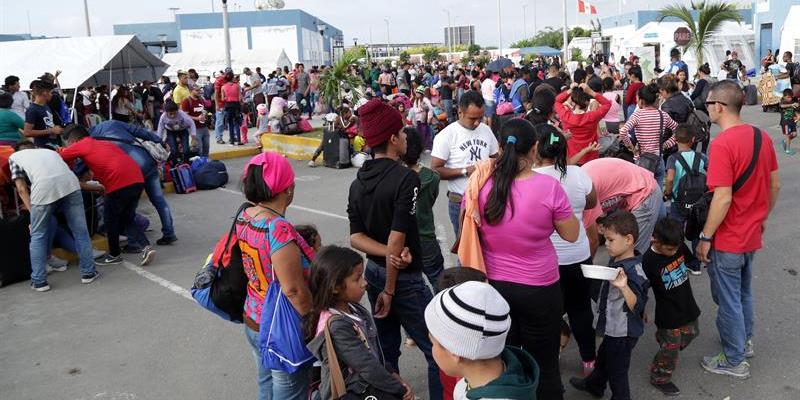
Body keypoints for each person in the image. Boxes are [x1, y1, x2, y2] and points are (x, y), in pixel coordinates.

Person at [472, 119, 579, 400]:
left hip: (496, 287)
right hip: (540, 288)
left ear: (500, 147)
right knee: (544, 363)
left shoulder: (482, 186)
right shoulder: (548, 187)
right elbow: (571, 234)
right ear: (534, 148)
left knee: (507, 359)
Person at [346, 98, 443, 400]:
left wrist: (386, 253)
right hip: (400, 280)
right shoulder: (406, 179)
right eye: (401, 132)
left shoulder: (358, 181)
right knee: (436, 349)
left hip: (374, 272)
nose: (404, 137)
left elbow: (356, 238)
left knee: (387, 348)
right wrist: (389, 287)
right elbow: (397, 241)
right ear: (391, 139)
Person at [695, 80, 780, 379]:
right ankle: (744, 342)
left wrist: (705, 236)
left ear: (718, 106)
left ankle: (734, 360)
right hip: (751, 233)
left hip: (729, 236)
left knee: (729, 297)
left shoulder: (722, 144)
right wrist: (761, 216)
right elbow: (775, 184)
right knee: (743, 292)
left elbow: (723, 197)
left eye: (708, 104)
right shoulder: (760, 136)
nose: (707, 108)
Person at [237, 152, 316, 400]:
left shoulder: (246, 215)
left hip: (253, 317)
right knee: (290, 392)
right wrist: (314, 323)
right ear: (287, 189)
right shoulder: (278, 228)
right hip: (280, 327)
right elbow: (293, 289)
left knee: (267, 386)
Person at [531, 123, 598, 377]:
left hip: (545, 261)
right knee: (581, 309)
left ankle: (549, 359)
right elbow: (592, 201)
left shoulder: (531, 179)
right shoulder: (578, 174)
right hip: (578, 254)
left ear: (536, 150)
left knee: (547, 312)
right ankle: (589, 361)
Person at [307, 246, 415, 400]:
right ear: (336, 287)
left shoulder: (354, 309)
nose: (364, 283)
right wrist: (399, 389)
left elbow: (373, 351)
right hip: (356, 392)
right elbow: (367, 366)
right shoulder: (337, 326)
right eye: (357, 279)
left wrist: (391, 373)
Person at [570, 211, 648, 400]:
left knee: (617, 374)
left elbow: (637, 304)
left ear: (628, 239)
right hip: (614, 328)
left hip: (623, 332)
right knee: (604, 357)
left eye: (611, 240)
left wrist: (623, 288)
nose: (606, 244)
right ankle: (594, 385)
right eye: (605, 239)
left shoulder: (633, 271)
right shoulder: (618, 259)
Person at [9, 141, 100, 291]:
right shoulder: (49, 151)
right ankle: (88, 273)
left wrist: (33, 216)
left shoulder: (15, 157)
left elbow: (21, 188)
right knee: (80, 231)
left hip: (43, 188)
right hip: (70, 185)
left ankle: (39, 281)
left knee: (38, 235)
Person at [425, 281, 539, 400]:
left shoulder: (467, 386)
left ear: (455, 352)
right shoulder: (512, 371)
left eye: (433, 343)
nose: (432, 349)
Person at [60, 125, 155, 267]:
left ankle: (115, 254)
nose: (67, 146)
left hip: (119, 182)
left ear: (73, 140)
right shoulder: (102, 143)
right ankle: (146, 247)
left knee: (111, 220)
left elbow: (59, 156)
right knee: (126, 217)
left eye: (66, 142)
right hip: (136, 178)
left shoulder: (82, 144)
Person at [90, 120, 178, 247]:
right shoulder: (113, 123)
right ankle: (169, 233)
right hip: (148, 161)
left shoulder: (93, 141)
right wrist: (160, 141)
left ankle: (134, 243)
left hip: (133, 171)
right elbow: (139, 131)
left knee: (129, 209)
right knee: (159, 200)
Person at [642, 218, 701, 396]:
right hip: (668, 313)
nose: (674, 251)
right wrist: (641, 309)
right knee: (671, 349)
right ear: (655, 240)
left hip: (687, 303)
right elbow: (643, 287)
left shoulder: (678, 246)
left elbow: (690, 260)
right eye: (669, 249)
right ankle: (660, 377)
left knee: (692, 332)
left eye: (677, 248)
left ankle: (665, 342)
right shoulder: (649, 261)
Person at [431, 91, 499, 237]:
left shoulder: (486, 130)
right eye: (472, 118)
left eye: (480, 118)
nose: (477, 123)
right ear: (460, 112)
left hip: (487, 201)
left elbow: (496, 157)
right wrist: (464, 171)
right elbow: (435, 170)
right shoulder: (446, 135)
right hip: (460, 202)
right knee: (466, 251)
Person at [582, 157, 664, 256]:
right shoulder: (578, 184)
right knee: (621, 249)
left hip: (644, 192)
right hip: (635, 188)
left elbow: (593, 241)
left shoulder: (584, 193)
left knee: (629, 252)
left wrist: (585, 269)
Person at [401, 127, 444, 291]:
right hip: (426, 237)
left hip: (402, 239)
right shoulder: (433, 178)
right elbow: (430, 201)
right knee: (438, 279)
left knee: (407, 283)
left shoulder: (396, 177)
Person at [663, 124, 705, 275]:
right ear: (693, 140)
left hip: (678, 202)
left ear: (675, 140)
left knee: (676, 232)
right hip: (698, 202)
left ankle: (685, 261)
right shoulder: (702, 157)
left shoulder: (672, 158)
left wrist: (667, 193)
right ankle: (697, 262)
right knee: (695, 231)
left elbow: (670, 178)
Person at [619, 83, 679, 188]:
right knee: (658, 192)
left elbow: (623, 131)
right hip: (658, 159)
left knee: (644, 192)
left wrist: (631, 147)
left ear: (641, 101)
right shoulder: (662, 115)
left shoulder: (637, 114)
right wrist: (666, 144)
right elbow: (678, 131)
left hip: (642, 160)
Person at [555, 83, 612, 165]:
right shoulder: (593, 116)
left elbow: (557, 100)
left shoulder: (566, 116)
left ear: (573, 102)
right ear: (587, 103)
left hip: (572, 157)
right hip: (591, 157)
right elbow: (607, 103)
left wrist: (570, 90)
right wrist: (591, 92)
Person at [23, 80, 62, 149]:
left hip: (53, 144)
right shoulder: (32, 110)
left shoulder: (46, 106)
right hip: (42, 147)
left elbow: (47, 124)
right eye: (50, 92)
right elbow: (27, 132)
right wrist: (51, 130)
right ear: (44, 93)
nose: (51, 95)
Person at [157, 100, 197, 165]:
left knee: (186, 150)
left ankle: (187, 164)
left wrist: (193, 138)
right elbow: (160, 130)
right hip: (171, 131)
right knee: (174, 150)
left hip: (183, 130)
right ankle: (175, 164)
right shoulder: (163, 117)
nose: (172, 116)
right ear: (166, 112)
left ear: (177, 111)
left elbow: (191, 123)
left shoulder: (182, 114)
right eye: (170, 114)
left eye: (174, 113)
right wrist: (159, 141)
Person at [180, 85, 210, 157]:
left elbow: (203, 110)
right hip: (195, 128)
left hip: (204, 127)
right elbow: (185, 116)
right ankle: (199, 163)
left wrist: (205, 114)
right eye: (197, 90)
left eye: (199, 90)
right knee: (198, 148)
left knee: (206, 147)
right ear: (191, 91)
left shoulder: (201, 99)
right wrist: (197, 118)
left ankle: (205, 161)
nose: (199, 92)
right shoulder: (186, 101)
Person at [222, 71, 243, 145]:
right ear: (232, 77)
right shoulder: (237, 86)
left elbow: (222, 99)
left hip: (228, 106)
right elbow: (240, 98)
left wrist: (227, 97)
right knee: (237, 123)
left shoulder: (223, 87)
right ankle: (239, 141)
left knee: (230, 123)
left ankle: (232, 141)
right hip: (236, 105)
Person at [779, 88, 798, 154]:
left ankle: (785, 141)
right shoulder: (782, 101)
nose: (790, 99)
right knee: (787, 135)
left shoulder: (792, 102)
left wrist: (797, 116)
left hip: (792, 122)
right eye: (788, 97)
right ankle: (787, 150)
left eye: (790, 97)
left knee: (795, 134)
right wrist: (791, 105)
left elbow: (795, 111)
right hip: (785, 123)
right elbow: (782, 106)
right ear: (784, 97)